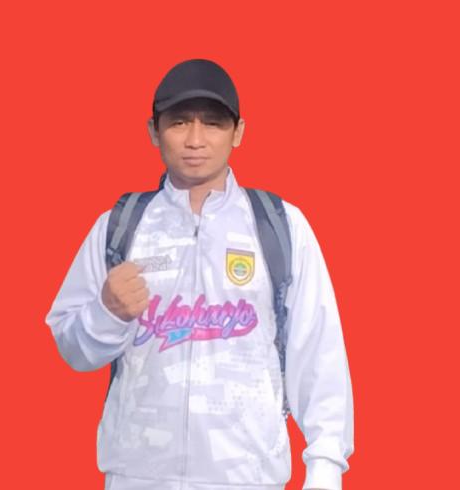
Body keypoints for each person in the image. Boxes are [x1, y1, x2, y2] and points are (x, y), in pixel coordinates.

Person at [46, 59, 354, 490]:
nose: (195, 140)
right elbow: (73, 350)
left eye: (212, 123)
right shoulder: (120, 227)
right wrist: (106, 313)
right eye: (178, 123)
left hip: (248, 478)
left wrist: (325, 468)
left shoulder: (280, 225)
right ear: (154, 131)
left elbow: (318, 349)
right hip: (138, 477)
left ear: (238, 132)